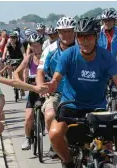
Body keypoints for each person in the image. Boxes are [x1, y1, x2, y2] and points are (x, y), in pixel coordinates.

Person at [44, 17, 117, 168]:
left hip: (97, 108)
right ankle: (68, 162)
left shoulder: (106, 57)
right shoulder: (68, 55)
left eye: (89, 36)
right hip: (71, 106)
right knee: (54, 134)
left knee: (107, 151)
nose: (84, 41)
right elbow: (56, 79)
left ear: (96, 37)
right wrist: (51, 85)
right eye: (80, 36)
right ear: (76, 37)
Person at [36, 16, 77, 158]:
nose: (66, 35)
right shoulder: (50, 50)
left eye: (69, 31)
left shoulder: (83, 46)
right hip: (57, 92)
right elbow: (40, 71)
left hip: (79, 93)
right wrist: (41, 87)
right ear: (58, 33)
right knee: (50, 115)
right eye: (62, 32)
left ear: (74, 32)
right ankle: (56, 143)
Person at [13, 32, 44, 150]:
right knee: (28, 117)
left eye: (37, 45)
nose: (35, 48)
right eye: (32, 45)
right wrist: (20, 82)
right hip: (33, 90)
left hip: (46, 90)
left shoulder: (48, 56)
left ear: (42, 45)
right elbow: (17, 72)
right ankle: (27, 138)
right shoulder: (29, 58)